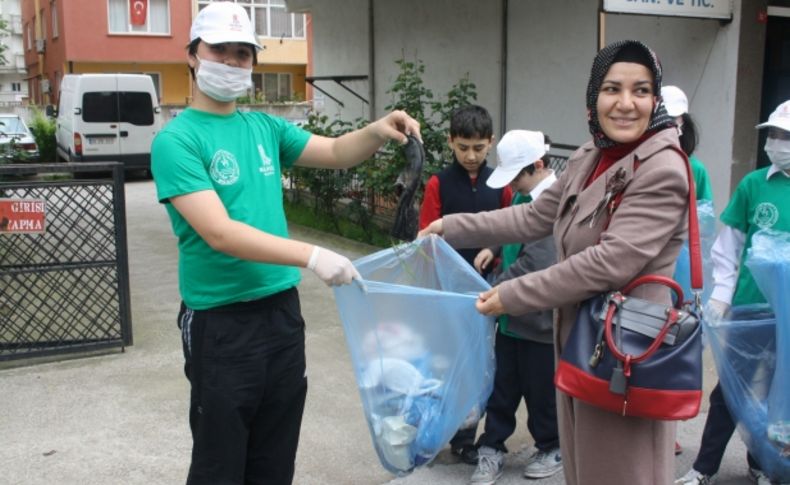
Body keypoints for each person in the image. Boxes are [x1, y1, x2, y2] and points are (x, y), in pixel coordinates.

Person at [150, 3, 420, 484]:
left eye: (243, 53)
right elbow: (219, 231)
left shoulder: (264, 128)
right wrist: (312, 254)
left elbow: (336, 152)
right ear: (192, 55)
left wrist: (378, 130)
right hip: (221, 322)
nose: (233, 63)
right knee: (220, 462)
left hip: (280, 315)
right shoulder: (177, 141)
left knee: (275, 457)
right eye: (220, 50)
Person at [419, 39, 690, 485]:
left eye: (640, 91)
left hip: (625, 355)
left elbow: (605, 264)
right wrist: (451, 226)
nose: (625, 103)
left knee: (619, 470)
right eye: (611, 89)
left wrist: (510, 295)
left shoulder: (661, 170)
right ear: (593, 95)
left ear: (655, 99)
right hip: (581, 342)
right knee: (584, 467)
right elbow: (533, 216)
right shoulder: (591, 157)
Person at [676, 100, 790, 485]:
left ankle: (766, 465)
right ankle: (703, 468)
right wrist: (721, 296)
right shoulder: (755, 185)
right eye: (774, 135)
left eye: (785, 136)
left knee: (782, 398)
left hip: (787, 317)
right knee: (729, 393)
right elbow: (728, 248)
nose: (777, 142)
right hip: (750, 309)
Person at [417, 104, 512, 464]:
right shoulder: (438, 183)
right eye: (462, 148)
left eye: (478, 148)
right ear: (450, 143)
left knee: (481, 361)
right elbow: (426, 238)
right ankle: (440, 428)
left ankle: (466, 436)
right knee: (447, 361)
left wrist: (493, 248)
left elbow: (509, 228)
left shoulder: (500, 184)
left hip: (488, 288)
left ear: (491, 143)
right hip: (448, 290)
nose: (470, 156)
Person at [468, 130, 562, 485]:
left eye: (517, 176)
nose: (515, 185)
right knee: (501, 387)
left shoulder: (554, 201)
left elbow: (535, 264)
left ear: (538, 165)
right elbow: (509, 223)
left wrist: (494, 289)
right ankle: (491, 447)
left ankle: (551, 445)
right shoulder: (525, 197)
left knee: (542, 392)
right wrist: (493, 246)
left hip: (539, 321)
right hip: (508, 317)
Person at [662, 85, 713, 202]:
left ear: (683, 121)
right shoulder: (636, 161)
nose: (665, 124)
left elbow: (704, 214)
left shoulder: (695, 168)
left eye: (671, 118)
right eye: (660, 118)